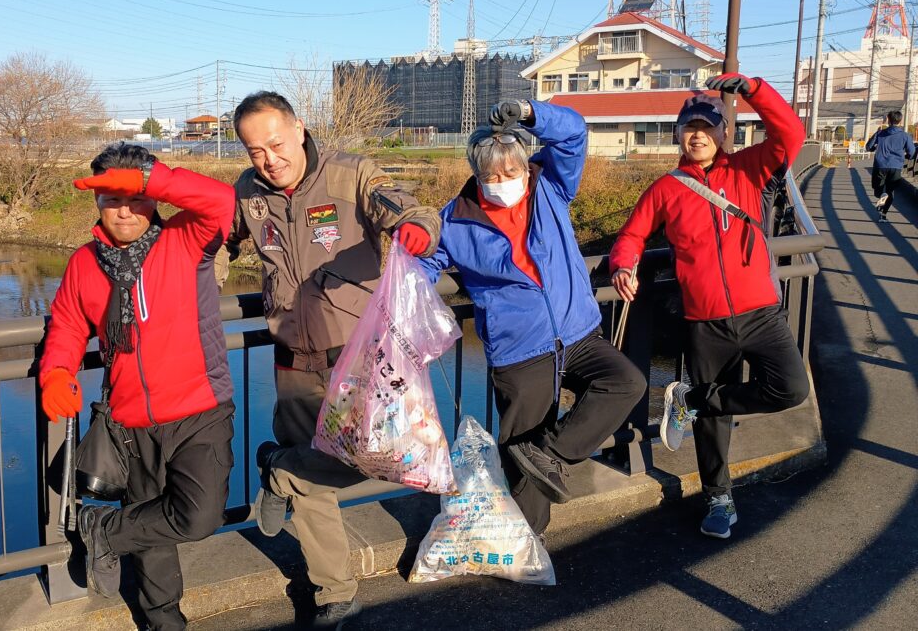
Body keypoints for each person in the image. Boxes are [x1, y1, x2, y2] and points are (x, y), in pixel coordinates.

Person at [225, 91, 440, 627]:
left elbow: (407, 206)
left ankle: (280, 472)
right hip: (293, 359)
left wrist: (415, 229)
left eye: (275, 144)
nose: (268, 160)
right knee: (315, 485)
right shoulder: (248, 194)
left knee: (371, 457)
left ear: (299, 129)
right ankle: (335, 594)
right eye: (255, 151)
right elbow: (213, 242)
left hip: (358, 355)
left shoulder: (350, 174)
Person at [418, 100, 645, 542]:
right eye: (491, 177)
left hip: (576, 331)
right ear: (476, 174)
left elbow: (574, 132)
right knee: (523, 435)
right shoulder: (455, 220)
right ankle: (529, 537)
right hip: (519, 347)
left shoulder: (549, 187)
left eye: (510, 173)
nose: (502, 183)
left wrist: (527, 112)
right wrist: (412, 269)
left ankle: (549, 453)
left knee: (625, 383)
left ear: (526, 167)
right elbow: (424, 267)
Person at [39, 144, 235, 630]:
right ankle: (162, 621)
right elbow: (66, 326)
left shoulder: (187, 238)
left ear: (152, 197)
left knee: (199, 516)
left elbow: (223, 202)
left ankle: (102, 529)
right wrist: (55, 373)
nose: (124, 210)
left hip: (200, 409)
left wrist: (151, 177)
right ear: (97, 203)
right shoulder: (85, 263)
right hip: (130, 421)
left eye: (135, 198)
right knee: (152, 537)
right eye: (111, 198)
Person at [609, 74, 810, 539]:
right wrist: (624, 263)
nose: (697, 134)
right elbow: (634, 234)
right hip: (704, 321)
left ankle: (691, 399)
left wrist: (754, 89)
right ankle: (718, 497)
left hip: (760, 313)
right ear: (679, 135)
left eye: (707, 126)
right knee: (713, 423)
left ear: (724, 134)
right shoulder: (667, 187)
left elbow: (791, 133)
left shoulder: (751, 168)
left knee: (791, 389)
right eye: (689, 127)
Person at [865, 109, 914, 221]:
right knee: (890, 191)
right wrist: (906, 156)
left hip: (880, 165)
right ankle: (883, 214)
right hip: (896, 166)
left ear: (888, 120)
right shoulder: (905, 136)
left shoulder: (880, 133)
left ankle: (881, 196)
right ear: (900, 121)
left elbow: (868, 147)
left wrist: (873, 148)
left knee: (878, 189)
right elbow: (911, 153)